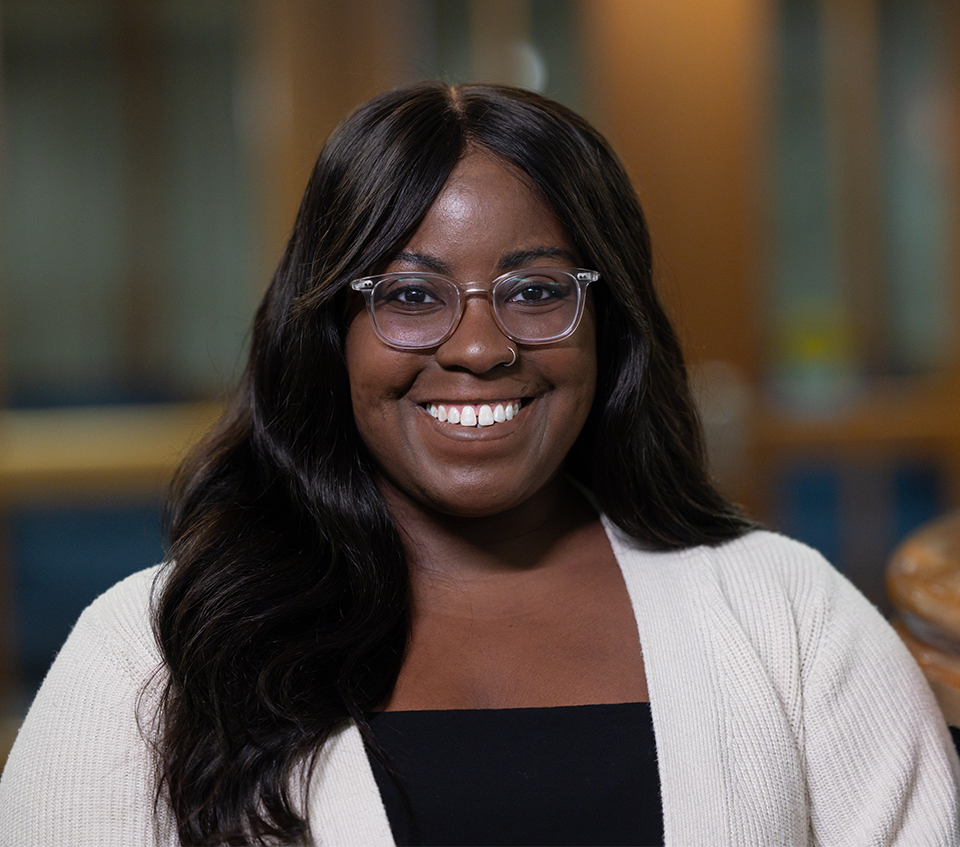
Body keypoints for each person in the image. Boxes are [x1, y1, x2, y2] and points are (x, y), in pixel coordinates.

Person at [1, 82, 957, 847]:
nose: (479, 348)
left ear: (608, 321)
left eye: (535, 290)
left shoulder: (788, 616)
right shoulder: (151, 653)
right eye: (411, 296)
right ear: (329, 330)